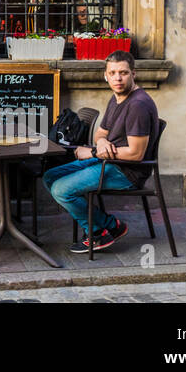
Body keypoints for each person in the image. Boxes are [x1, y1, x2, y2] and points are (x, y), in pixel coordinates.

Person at [43, 51, 157, 252]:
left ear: (134, 74)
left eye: (123, 73)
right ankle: (112, 225)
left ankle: (98, 233)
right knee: (50, 176)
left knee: (61, 190)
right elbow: (100, 134)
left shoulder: (137, 105)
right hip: (109, 161)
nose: (118, 78)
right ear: (105, 76)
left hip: (128, 172)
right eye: (112, 73)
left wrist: (93, 153)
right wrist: (102, 142)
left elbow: (135, 155)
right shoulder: (116, 98)